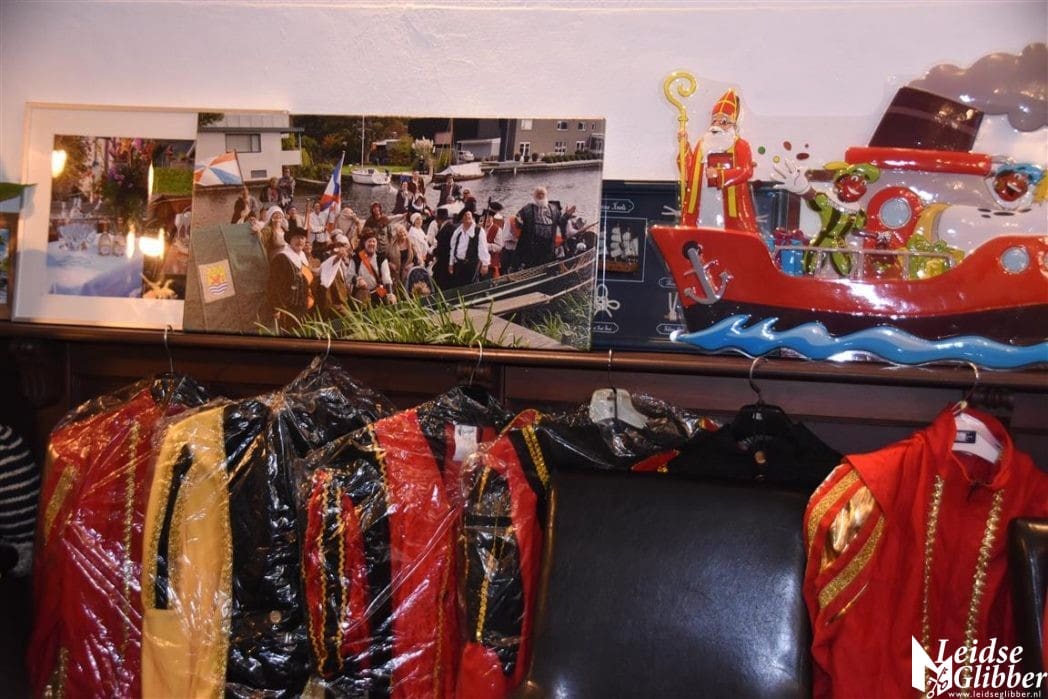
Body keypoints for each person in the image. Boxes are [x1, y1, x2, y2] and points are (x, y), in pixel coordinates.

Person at [772, 159, 881, 276]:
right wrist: (804, 188)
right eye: (855, 179)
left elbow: (856, 230)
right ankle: (808, 282)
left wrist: (876, 235)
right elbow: (813, 197)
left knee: (846, 268)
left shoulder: (858, 213)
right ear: (842, 180)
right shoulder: (827, 201)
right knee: (810, 265)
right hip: (823, 239)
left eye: (863, 183)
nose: (858, 186)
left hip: (839, 242)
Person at [677, 88, 759, 231]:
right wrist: (684, 145)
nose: (717, 125)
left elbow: (746, 171)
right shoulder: (703, 144)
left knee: (729, 236)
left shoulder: (740, 145)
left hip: (730, 206)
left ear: (734, 125)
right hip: (700, 205)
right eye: (714, 121)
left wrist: (720, 174)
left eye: (724, 122)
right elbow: (689, 170)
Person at [514, 186, 575, 269]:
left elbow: (560, 222)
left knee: (548, 267)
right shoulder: (527, 209)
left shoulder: (554, 209)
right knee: (532, 267)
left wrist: (567, 215)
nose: (540, 196)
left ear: (546, 195)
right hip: (533, 245)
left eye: (542, 194)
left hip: (548, 245)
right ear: (534, 196)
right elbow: (518, 224)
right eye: (538, 194)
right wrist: (518, 220)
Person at [266, 226, 315, 322]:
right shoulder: (281, 258)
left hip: (302, 306)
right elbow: (273, 285)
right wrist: (276, 308)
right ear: (290, 240)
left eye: (302, 238)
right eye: (296, 237)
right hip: (287, 308)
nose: (300, 241)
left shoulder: (303, 258)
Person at [350, 229, 396, 305]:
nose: (372, 244)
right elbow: (349, 276)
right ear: (364, 243)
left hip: (378, 291)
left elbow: (386, 278)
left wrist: (390, 293)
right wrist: (357, 280)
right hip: (361, 294)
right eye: (369, 241)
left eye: (374, 241)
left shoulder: (381, 258)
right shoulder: (356, 258)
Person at [447, 210, 490, 288]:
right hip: (459, 264)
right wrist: (451, 263)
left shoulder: (478, 231)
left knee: (470, 286)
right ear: (461, 219)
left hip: (472, 265)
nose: (467, 216)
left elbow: (483, 248)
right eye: (465, 215)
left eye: (469, 215)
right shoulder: (458, 231)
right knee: (458, 286)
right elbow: (453, 248)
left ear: (472, 217)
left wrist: (485, 264)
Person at [316, 232, 352, 317]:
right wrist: (338, 256)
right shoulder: (329, 263)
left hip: (344, 302)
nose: (343, 250)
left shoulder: (343, 264)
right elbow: (334, 260)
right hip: (335, 306)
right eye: (340, 247)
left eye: (344, 246)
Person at [430, 207, 456, 291]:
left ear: (439, 220)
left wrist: (433, 251)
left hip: (444, 263)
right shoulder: (452, 227)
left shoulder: (445, 230)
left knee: (438, 284)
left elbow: (442, 250)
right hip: (451, 261)